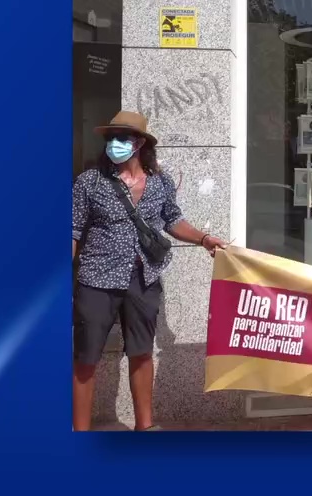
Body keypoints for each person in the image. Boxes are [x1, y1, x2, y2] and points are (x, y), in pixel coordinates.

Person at [71, 111, 226, 431]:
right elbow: (72, 230)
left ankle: (146, 427)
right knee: (86, 358)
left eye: (122, 138)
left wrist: (204, 239)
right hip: (97, 279)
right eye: (111, 138)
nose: (115, 144)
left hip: (144, 278)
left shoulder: (160, 183)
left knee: (141, 353)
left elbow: (173, 220)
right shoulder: (90, 181)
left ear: (139, 143)